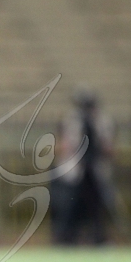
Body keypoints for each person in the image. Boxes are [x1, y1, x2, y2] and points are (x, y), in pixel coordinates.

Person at [51, 87, 115, 245]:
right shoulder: (70, 121)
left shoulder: (102, 122)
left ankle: (98, 237)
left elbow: (108, 147)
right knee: (69, 205)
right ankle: (65, 238)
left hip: (94, 168)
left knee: (96, 206)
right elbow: (62, 145)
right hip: (74, 169)